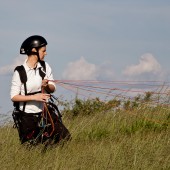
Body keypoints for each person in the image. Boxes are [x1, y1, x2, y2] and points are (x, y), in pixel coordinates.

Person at [10, 35, 64, 144]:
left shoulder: (45, 66)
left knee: (64, 139)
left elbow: (52, 88)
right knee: (33, 147)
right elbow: (14, 97)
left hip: (45, 113)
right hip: (27, 117)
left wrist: (46, 86)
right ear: (34, 50)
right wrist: (35, 97)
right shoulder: (20, 72)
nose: (46, 53)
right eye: (43, 51)